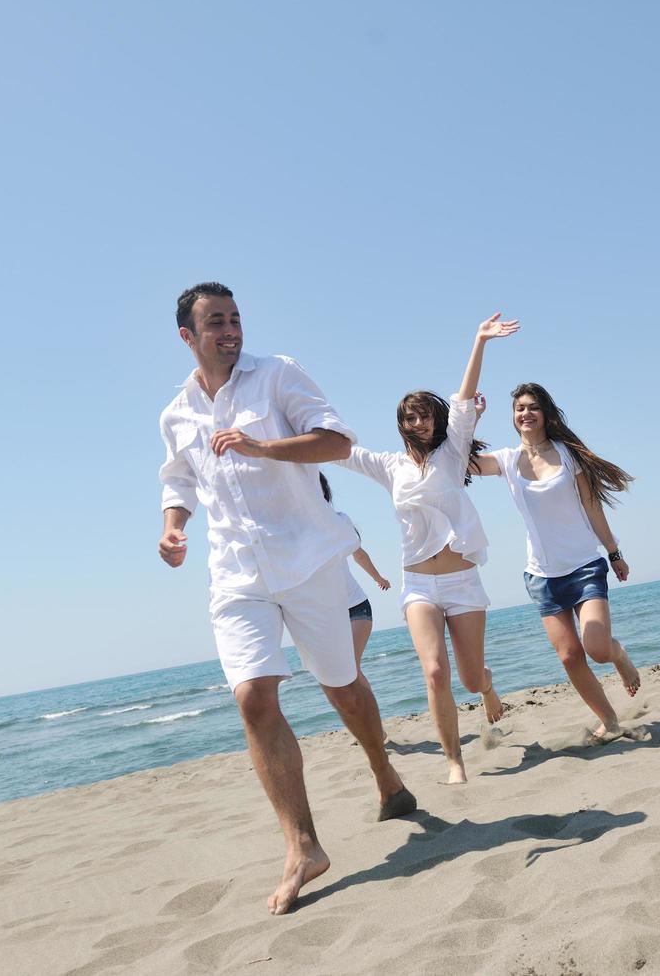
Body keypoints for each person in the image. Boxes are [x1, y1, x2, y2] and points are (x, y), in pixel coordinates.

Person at [157, 282, 416, 915]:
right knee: (253, 695)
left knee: (341, 684)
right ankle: (303, 846)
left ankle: (385, 774)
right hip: (236, 573)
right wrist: (172, 525)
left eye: (235, 319)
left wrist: (262, 446)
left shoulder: (277, 375)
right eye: (215, 322)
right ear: (188, 337)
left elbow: (337, 442)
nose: (230, 330)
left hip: (306, 560)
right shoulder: (176, 414)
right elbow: (179, 479)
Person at [336, 313, 515, 785]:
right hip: (418, 583)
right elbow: (340, 451)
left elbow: (462, 401)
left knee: (470, 680)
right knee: (435, 672)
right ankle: (454, 759)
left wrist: (479, 340)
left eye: (424, 414)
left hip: (461, 582)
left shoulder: (453, 455)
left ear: (436, 419)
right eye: (408, 417)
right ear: (400, 425)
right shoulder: (390, 466)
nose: (418, 421)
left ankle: (488, 686)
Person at [472, 382, 644, 740]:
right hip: (541, 576)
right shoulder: (506, 461)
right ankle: (610, 721)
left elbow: (592, 507)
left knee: (596, 648)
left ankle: (620, 655)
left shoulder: (568, 455)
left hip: (583, 566)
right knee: (569, 656)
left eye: (533, 407)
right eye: (519, 408)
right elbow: (461, 463)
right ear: (513, 417)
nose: (526, 413)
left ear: (546, 413)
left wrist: (613, 552)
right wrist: (472, 419)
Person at [318, 473, 392, 682]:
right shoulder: (297, 529)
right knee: (338, 674)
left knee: (350, 667)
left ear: (323, 491)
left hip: (356, 606)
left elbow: (358, 552)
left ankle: (369, 715)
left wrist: (378, 577)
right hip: (325, 614)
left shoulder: (340, 521)